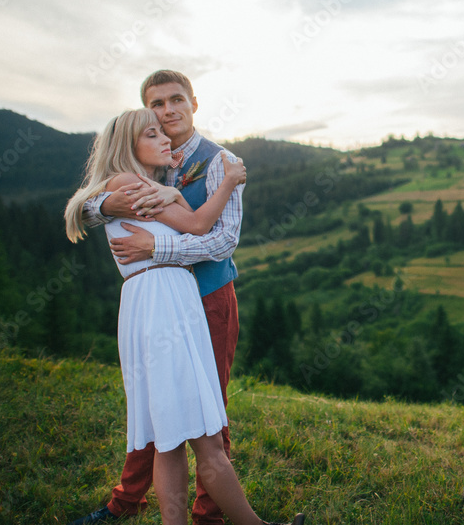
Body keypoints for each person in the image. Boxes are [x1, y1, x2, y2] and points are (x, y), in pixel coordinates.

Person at [67, 71, 300, 525]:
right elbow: (92, 201)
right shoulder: (142, 159)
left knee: (206, 409)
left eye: (176, 100)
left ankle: (207, 515)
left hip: (208, 296)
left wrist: (157, 247)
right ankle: (126, 502)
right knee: (163, 411)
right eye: (157, 104)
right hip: (161, 300)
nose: (167, 111)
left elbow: (222, 241)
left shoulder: (218, 161)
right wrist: (101, 206)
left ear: (194, 102)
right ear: (145, 111)